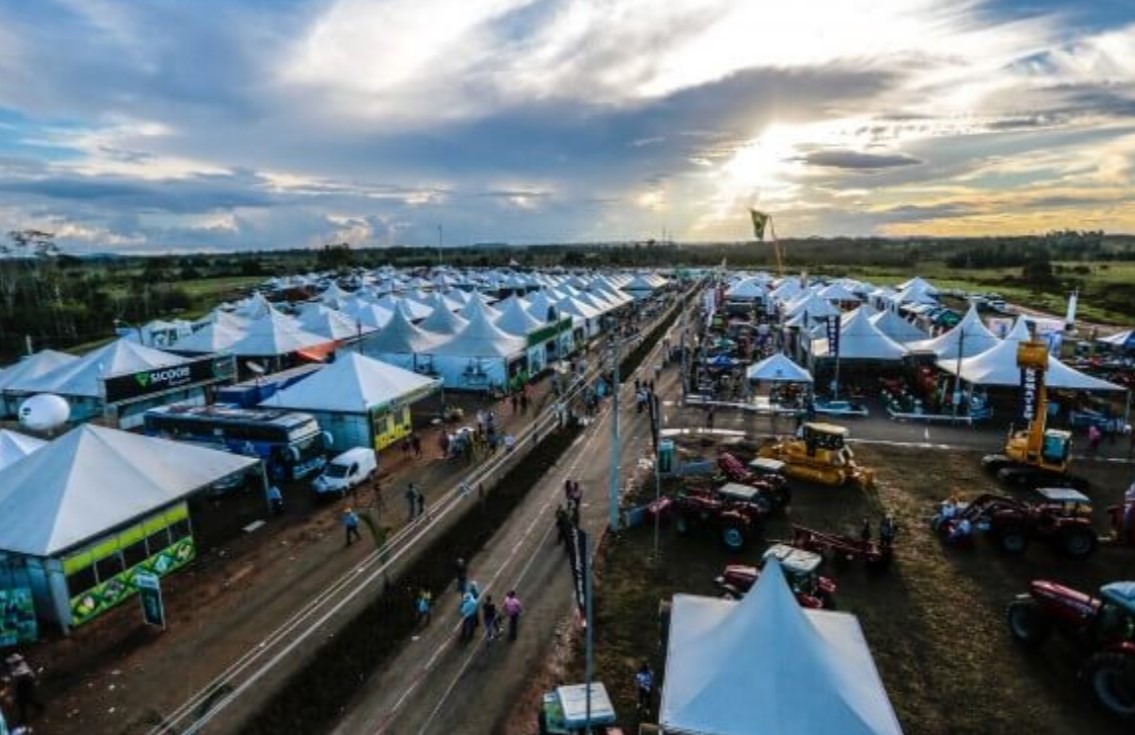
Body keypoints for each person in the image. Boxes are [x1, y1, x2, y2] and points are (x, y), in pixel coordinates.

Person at [5, 654, 43, 726]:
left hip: (26, 683)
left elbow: (23, 674)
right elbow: (14, 675)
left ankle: (39, 707)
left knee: (28, 699)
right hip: (21, 684)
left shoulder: (22, 666)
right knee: (22, 702)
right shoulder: (13, 666)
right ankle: (23, 718)